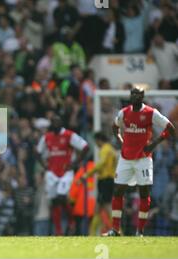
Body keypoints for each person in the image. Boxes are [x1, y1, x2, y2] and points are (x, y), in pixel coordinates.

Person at [106, 87, 175, 236]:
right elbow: (114, 127)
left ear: (142, 96)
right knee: (117, 191)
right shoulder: (124, 112)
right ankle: (115, 229)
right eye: (132, 94)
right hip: (125, 158)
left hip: (143, 159)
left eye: (138, 94)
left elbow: (170, 128)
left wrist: (154, 144)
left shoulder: (151, 113)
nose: (135, 96)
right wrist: (120, 141)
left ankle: (140, 231)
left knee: (144, 193)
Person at [36, 114, 89, 235]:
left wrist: (75, 163)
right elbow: (37, 152)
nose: (55, 124)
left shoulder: (69, 135)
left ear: (61, 123)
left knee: (62, 197)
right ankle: (59, 230)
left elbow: (85, 147)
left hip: (66, 172)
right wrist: (44, 165)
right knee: (54, 201)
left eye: (57, 122)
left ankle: (71, 222)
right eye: (53, 122)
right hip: (52, 172)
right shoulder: (47, 137)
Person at [81, 132, 117, 234]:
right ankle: (92, 233)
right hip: (110, 180)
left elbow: (101, 164)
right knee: (99, 207)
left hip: (105, 181)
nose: (96, 144)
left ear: (98, 140)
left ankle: (117, 230)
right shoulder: (112, 149)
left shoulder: (105, 150)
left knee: (105, 207)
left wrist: (87, 174)